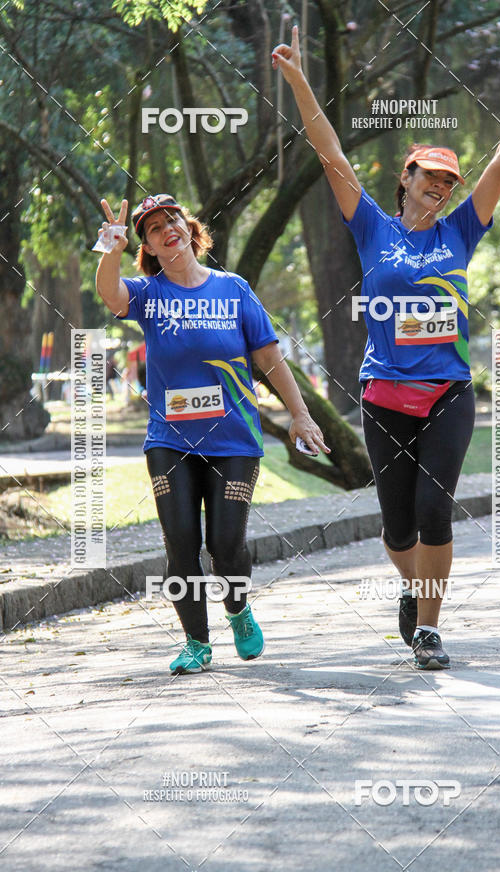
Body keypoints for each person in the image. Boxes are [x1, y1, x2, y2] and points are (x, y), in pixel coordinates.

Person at [274, 29, 500, 669]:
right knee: (399, 526)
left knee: (436, 512)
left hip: (448, 392)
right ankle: (413, 589)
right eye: (430, 177)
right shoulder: (371, 228)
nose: (441, 186)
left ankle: (431, 629)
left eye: (448, 180)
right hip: (384, 394)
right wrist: (300, 80)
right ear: (405, 178)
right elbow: (329, 152)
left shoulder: (461, 231)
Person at [95, 193, 329, 674]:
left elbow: (269, 358)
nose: (166, 230)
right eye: (154, 229)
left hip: (234, 440)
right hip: (170, 440)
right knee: (180, 542)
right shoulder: (149, 294)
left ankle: (238, 609)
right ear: (150, 248)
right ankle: (196, 642)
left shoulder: (234, 289)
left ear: (189, 227)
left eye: (172, 220)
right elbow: (111, 295)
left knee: (226, 546)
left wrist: (300, 414)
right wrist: (111, 250)